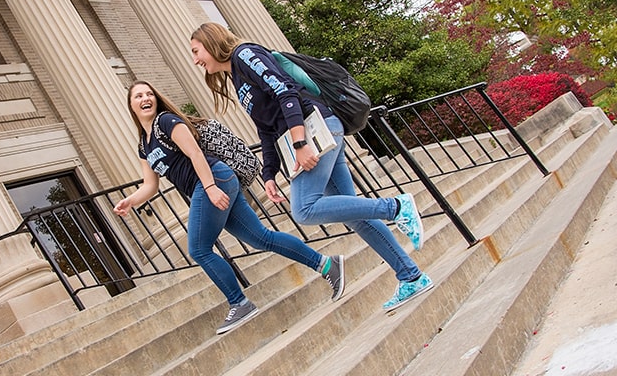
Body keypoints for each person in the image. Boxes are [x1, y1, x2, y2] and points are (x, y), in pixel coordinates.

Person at [190, 22, 434, 311]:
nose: (195, 60)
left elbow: (286, 92)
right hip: (312, 133)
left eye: (196, 51)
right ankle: (411, 277)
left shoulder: (245, 54)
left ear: (211, 42)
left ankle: (396, 207)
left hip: (315, 130)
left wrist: (299, 144)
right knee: (355, 215)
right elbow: (265, 129)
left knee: (304, 209)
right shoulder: (236, 77)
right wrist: (269, 173)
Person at [114, 80, 346, 335]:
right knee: (261, 237)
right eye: (138, 96)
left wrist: (211, 188)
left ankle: (239, 303)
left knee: (199, 249)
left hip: (214, 179)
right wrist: (131, 201)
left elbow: (195, 154)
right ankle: (327, 265)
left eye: (149, 93)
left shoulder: (166, 122)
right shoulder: (144, 145)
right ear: (131, 105)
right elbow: (150, 185)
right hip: (211, 184)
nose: (145, 98)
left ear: (156, 99)